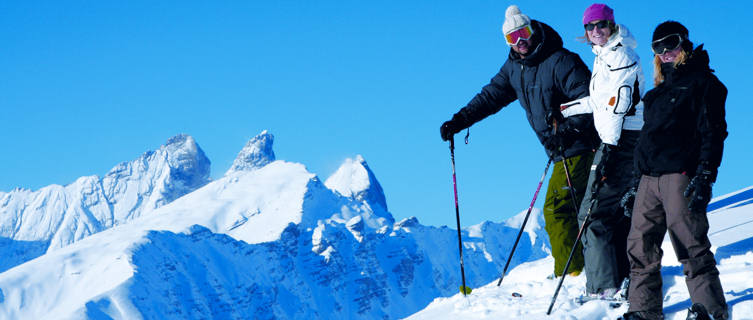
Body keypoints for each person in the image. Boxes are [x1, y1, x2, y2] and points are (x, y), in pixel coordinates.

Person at [439, 4, 598, 278]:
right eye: (513, 38)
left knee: (557, 208)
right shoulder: (515, 69)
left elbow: (587, 99)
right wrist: (460, 121)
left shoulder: (560, 60)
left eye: (523, 33)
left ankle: (572, 274)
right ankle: (585, 270)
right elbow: (490, 97)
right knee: (575, 208)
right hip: (559, 150)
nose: (521, 42)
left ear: (533, 29)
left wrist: (569, 131)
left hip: (581, 144)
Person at [619, 21, 728, 320]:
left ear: (685, 44)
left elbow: (713, 132)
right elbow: (645, 142)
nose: (666, 52)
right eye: (658, 47)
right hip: (648, 178)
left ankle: (709, 309)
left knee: (689, 241)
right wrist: (633, 182)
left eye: (672, 43)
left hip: (680, 173)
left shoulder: (704, 84)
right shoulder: (654, 96)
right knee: (640, 245)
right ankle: (643, 311)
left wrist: (705, 174)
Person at [557, 3, 644, 300]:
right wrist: (565, 112)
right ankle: (617, 280)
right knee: (607, 212)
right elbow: (599, 101)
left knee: (592, 213)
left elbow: (617, 106)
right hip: (618, 140)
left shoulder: (621, 57)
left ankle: (604, 287)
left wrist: (608, 148)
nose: (596, 31)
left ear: (612, 25)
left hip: (622, 141)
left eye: (601, 25)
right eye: (590, 27)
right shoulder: (605, 54)